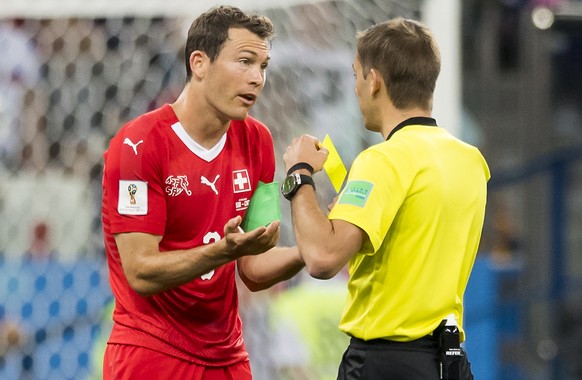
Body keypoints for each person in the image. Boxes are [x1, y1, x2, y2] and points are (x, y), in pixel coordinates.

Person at [100, 6, 304, 380]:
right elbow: (140, 271)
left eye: (263, 66)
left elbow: (255, 267)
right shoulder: (137, 145)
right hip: (151, 351)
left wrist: (313, 248)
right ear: (199, 63)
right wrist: (221, 252)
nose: (257, 78)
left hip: (227, 356)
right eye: (244, 61)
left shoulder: (257, 140)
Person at [281, 17, 490, 380]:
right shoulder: (472, 160)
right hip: (449, 362)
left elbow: (322, 258)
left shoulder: (383, 160)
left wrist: (299, 174)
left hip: (385, 362)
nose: (356, 88)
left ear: (374, 80)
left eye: (356, 75)